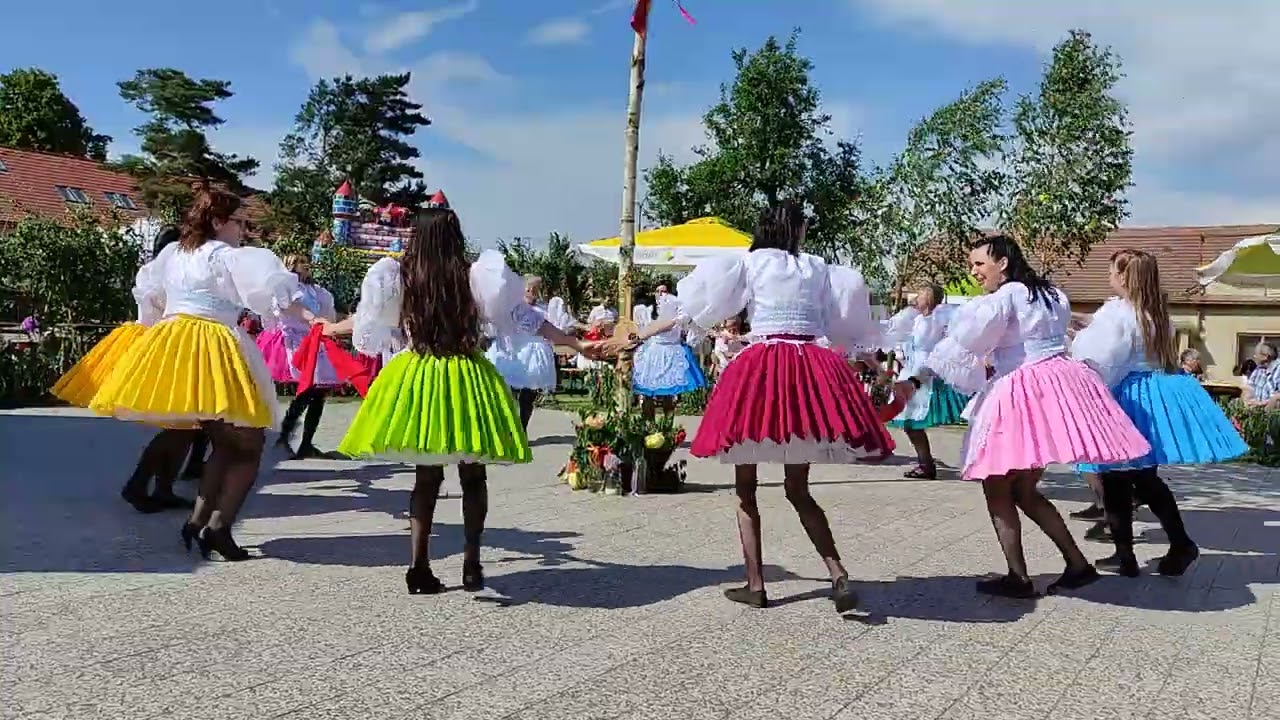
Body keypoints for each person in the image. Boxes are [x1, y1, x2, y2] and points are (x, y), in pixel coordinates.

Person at [316, 208, 610, 594]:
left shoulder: (398, 275)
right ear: (454, 235)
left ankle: (418, 566)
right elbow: (526, 317)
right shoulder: (477, 277)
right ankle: (471, 563)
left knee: (426, 477)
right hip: (466, 374)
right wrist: (576, 342)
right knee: (473, 476)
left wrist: (329, 327)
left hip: (418, 373)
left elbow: (366, 319)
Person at [895, 235, 1150, 598]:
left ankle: (1019, 577)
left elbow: (962, 345)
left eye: (979, 263)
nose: (974, 271)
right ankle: (1077, 564)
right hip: (1055, 387)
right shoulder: (1050, 294)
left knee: (997, 487)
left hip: (1020, 391)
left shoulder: (1004, 297)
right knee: (1025, 491)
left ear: (1002, 262)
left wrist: (915, 379)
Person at [677, 200, 891, 613]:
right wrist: (877, 369)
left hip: (761, 371)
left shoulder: (750, 263)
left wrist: (637, 333)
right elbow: (845, 324)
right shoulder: (818, 268)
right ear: (795, 229)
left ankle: (756, 584)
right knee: (798, 489)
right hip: (809, 369)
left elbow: (697, 309)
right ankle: (836, 572)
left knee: (745, 491)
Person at [90, 185, 313, 561]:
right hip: (214, 345)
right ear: (219, 221)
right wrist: (310, 318)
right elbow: (270, 295)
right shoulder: (226, 256)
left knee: (225, 442)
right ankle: (217, 529)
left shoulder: (174, 253)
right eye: (240, 221)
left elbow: (149, 295)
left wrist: (161, 326)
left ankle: (200, 523)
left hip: (177, 343)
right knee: (248, 445)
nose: (244, 229)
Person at [1071, 249, 1246, 577]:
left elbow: (1106, 359)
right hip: (1154, 392)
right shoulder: (1155, 313)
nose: (1108, 277)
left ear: (1123, 276)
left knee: (1114, 478)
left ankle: (1128, 557)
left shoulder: (1118, 313)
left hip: (1127, 394)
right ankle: (1177, 544)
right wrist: (1085, 324)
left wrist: (1078, 346)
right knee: (1144, 477)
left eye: (1112, 271)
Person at [52, 225, 208, 513]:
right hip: (165, 344)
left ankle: (162, 488)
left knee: (184, 426)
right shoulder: (162, 274)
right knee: (181, 427)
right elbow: (163, 310)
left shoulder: (155, 271)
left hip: (164, 342)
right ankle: (138, 485)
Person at [256, 255, 339, 458]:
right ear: (292, 265)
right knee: (307, 390)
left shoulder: (313, 290)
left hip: (314, 342)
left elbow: (326, 310)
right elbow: (286, 308)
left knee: (319, 393)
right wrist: (312, 318)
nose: (307, 264)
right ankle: (284, 438)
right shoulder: (286, 288)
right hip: (295, 341)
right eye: (302, 261)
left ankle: (306, 443)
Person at [883, 284, 970, 479]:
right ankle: (926, 463)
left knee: (914, 422)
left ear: (929, 299)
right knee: (910, 424)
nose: (915, 299)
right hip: (912, 370)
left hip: (926, 371)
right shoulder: (915, 319)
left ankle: (928, 464)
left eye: (920, 296)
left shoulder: (937, 320)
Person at [484, 277, 575, 432]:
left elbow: (556, 328)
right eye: (528, 288)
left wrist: (566, 332)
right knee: (509, 391)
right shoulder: (512, 308)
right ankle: (509, 427)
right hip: (513, 353)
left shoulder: (542, 310)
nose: (531, 292)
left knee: (529, 394)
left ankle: (522, 427)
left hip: (534, 357)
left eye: (535, 289)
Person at [629, 286, 708, 420]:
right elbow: (640, 328)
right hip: (652, 353)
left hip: (671, 350)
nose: (661, 295)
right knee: (648, 392)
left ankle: (667, 428)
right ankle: (648, 426)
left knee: (669, 392)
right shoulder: (645, 309)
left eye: (664, 291)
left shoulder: (679, 308)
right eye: (658, 291)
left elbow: (687, 322)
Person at [1242, 342, 1280, 408]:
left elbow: (1277, 396)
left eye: (1256, 354)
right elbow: (1249, 387)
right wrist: (1248, 400)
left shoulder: (1278, 369)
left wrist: (1260, 404)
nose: (1254, 356)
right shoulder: (1258, 369)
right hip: (1255, 409)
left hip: (1271, 410)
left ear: (1265, 356)